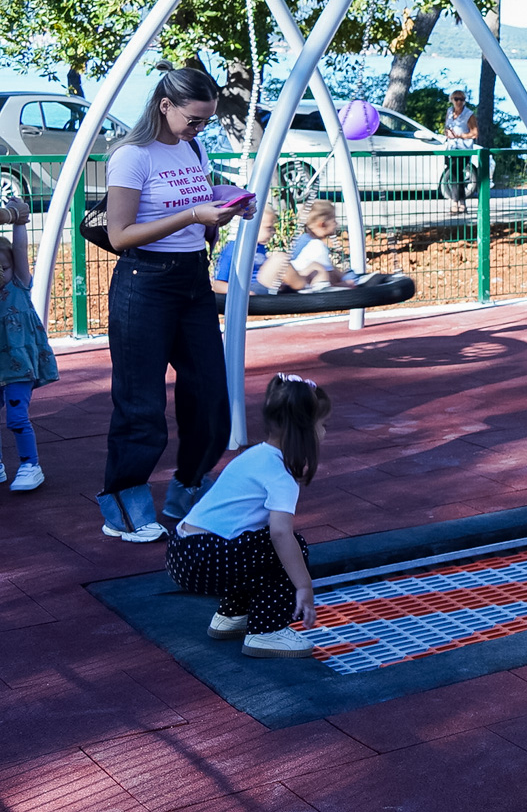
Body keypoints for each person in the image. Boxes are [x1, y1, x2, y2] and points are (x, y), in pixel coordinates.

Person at [101, 66, 251, 542]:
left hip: (191, 279)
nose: (200, 128)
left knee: (210, 395)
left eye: (207, 121)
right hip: (144, 282)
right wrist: (192, 214)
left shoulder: (192, 147)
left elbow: (195, 208)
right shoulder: (132, 156)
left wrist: (224, 207)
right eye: (194, 119)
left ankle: (188, 487)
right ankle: (122, 506)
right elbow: (120, 235)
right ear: (165, 106)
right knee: (141, 402)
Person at [166, 374, 326, 658]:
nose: (324, 432)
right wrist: (304, 586)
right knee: (291, 547)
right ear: (303, 431)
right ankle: (267, 632)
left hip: (181, 551)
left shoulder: (254, 456)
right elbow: (280, 533)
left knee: (253, 547)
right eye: (322, 425)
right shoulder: (281, 475)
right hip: (206, 558)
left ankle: (231, 616)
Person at [0, 194, 56, 492]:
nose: (1, 273)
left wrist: (19, 221)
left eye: (4, 267)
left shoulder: (18, 284)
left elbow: (20, 250)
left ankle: (30, 465)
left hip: (19, 366)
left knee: (17, 417)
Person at [279, 200, 352, 291]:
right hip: (305, 286)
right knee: (321, 270)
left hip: (294, 280)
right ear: (322, 224)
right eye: (334, 220)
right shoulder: (317, 245)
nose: (336, 224)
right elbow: (330, 275)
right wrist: (346, 283)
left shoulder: (303, 239)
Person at [213, 205, 276, 296]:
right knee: (280, 258)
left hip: (263, 290)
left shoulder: (260, 247)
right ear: (253, 226)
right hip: (247, 292)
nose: (273, 232)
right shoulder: (235, 249)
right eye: (268, 227)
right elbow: (218, 285)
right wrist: (246, 294)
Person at [442, 89, 478, 213]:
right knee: (454, 174)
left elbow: (474, 133)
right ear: (452, 100)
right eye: (456, 99)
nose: (459, 102)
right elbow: (446, 127)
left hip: (464, 149)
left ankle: (456, 202)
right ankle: (460, 202)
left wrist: (460, 136)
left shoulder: (469, 114)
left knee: (457, 174)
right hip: (451, 148)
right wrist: (448, 133)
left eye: (461, 99)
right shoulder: (449, 112)